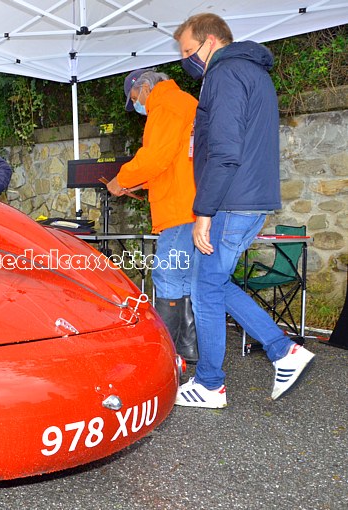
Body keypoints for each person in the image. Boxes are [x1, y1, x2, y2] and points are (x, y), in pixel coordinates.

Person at [173, 13, 314, 408]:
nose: (186, 59)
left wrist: (204, 210)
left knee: (204, 289)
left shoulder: (225, 74)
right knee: (215, 283)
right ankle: (282, 350)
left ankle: (211, 383)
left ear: (211, 41)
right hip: (248, 200)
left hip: (230, 203)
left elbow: (226, 152)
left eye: (188, 51)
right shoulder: (252, 73)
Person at [106, 69, 198, 363]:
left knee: (168, 274)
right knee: (185, 278)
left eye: (134, 99)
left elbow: (156, 156)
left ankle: (165, 352)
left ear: (145, 87)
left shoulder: (165, 105)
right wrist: (133, 183)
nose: (136, 108)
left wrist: (121, 179)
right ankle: (188, 348)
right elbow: (172, 161)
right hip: (193, 202)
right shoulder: (185, 102)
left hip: (179, 206)